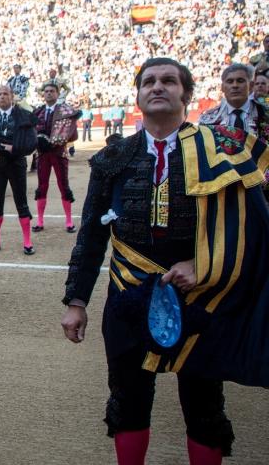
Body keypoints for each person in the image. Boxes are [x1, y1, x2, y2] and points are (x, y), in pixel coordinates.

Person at [62, 58, 269, 464]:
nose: (158, 87)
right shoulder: (113, 158)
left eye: (169, 81)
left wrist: (204, 264)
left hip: (201, 296)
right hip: (127, 293)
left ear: (185, 94)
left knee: (204, 405)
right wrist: (76, 301)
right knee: (128, 399)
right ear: (137, 95)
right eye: (149, 81)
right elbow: (91, 235)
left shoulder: (221, 149)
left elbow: (252, 227)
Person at [0, 85, 38, 255]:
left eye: (5, 94)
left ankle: (27, 242)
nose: (2, 97)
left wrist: (14, 148)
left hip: (16, 164)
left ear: (12, 97)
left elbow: (32, 143)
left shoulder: (23, 116)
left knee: (21, 202)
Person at [32, 82, 80, 233]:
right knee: (42, 186)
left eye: (52, 91)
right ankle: (39, 221)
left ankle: (69, 221)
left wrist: (58, 140)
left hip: (59, 153)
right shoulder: (37, 112)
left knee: (63, 184)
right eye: (46, 91)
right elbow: (31, 132)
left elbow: (74, 135)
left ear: (58, 94)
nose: (48, 93)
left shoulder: (66, 111)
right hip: (43, 154)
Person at [198, 63, 269, 143]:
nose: (235, 85)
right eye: (230, 81)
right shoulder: (207, 119)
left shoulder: (266, 114)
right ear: (222, 88)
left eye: (240, 81)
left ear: (251, 85)